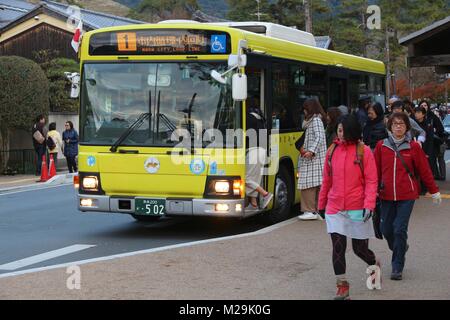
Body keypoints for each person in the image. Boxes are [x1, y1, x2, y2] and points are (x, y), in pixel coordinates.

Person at [318, 114, 380, 300]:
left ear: (351, 130)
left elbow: (371, 181)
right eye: (338, 129)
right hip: (335, 207)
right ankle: (342, 287)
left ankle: (374, 265)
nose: (340, 132)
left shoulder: (364, 151)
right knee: (338, 247)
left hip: (358, 207)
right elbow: (326, 180)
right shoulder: (332, 150)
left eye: (343, 129)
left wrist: (369, 205)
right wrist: (321, 204)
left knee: (359, 249)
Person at [374, 112, 441, 281]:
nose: (398, 126)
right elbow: (374, 172)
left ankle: (397, 266)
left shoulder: (414, 147)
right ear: (390, 126)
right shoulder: (381, 146)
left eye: (401, 124)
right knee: (386, 229)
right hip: (386, 195)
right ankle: (401, 247)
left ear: (407, 128)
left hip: (407, 195)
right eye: (395, 124)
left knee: (399, 229)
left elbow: (425, 170)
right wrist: (371, 191)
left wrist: (434, 191)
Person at [297, 98, 327, 221]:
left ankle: (309, 210)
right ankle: (315, 210)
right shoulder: (316, 120)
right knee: (315, 184)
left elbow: (320, 137)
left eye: (305, 109)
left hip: (313, 158)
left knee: (307, 184)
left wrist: (311, 151)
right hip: (314, 159)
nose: (304, 112)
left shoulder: (315, 121)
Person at [245, 96, 273, 210]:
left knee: (245, 178)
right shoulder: (259, 117)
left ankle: (265, 194)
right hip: (261, 150)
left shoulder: (248, 118)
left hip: (253, 151)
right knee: (254, 177)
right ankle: (254, 204)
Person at [417, 100, 445, 179]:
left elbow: (441, 128)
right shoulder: (417, 117)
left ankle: (437, 175)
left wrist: (434, 129)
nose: (424, 107)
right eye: (422, 105)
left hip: (433, 140)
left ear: (428, 107)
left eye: (425, 105)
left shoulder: (432, 116)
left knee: (433, 159)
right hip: (422, 141)